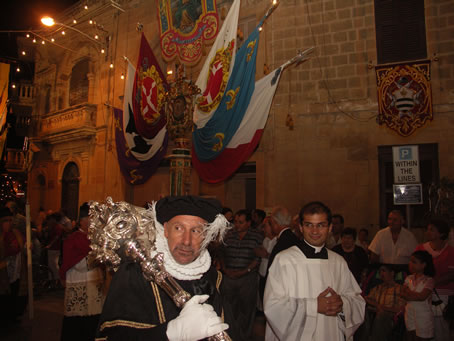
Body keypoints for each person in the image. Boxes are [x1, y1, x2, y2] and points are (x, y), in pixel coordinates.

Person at [96, 195, 235, 340]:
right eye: (178, 228)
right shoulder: (133, 273)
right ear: (166, 230)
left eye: (196, 231)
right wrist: (171, 333)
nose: (186, 241)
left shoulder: (214, 278)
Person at [264, 201, 365, 340]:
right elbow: (273, 307)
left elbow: (356, 300)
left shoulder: (338, 261)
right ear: (300, 227)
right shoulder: (284, 260)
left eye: (321, 225)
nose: (315, 231)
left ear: (330, 228)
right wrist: (314, 306)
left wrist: (342, 305)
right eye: (309, 225)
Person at [59, 203, 105, 341]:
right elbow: (77, 264)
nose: (94, 222)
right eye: (92, 219)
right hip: (79, 282)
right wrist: (98, 257)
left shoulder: (95, 238)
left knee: (93, 321)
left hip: (93, 284)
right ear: (83, 220)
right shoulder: (73, 239)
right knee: (77, 326)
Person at [220, 209, 264, 341]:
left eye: (241, 222)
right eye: (236, 222)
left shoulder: (257, 236)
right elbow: (222, 253)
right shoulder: (228, 234)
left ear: (248, 223)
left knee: (246, 309)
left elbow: (258, 257)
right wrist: (225, 269)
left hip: (247, 278)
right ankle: (231, 335)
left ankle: (244, 336)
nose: (237, 225)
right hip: (228, 276)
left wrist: (245, 271)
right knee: (228, 308)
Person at [415, 218, 454, 341]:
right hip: (422, 295)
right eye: (428, 229)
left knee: (442, 330)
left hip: (444, 295)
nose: (428, 232)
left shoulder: (450, 252)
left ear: (441, 233)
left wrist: (432, 283)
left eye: (432, 230)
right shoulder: (420, 249)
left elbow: (451, 274)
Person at [362, 264, 406, 341]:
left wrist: (383, 308)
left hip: (392, 317)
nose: (381, 274)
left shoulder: (400, 289)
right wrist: (377, 305)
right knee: (362, 312)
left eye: (383, 271)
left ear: (392, 273)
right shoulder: (377, 288)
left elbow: (401, 309)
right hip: (375, 314)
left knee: (382, 315)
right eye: (379, 271)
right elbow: (365, 298)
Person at [401, 250, 435, 341]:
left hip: (423, 315)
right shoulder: (409, 278)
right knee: (410, 336)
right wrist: (416, 295)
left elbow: (422, 297)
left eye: (414, 262)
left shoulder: (429, 280)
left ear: (423, 265)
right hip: (409, 313)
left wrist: (409, 293)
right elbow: (402, 293)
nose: (410, 264)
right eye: (410, 261)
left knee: (422, 337)